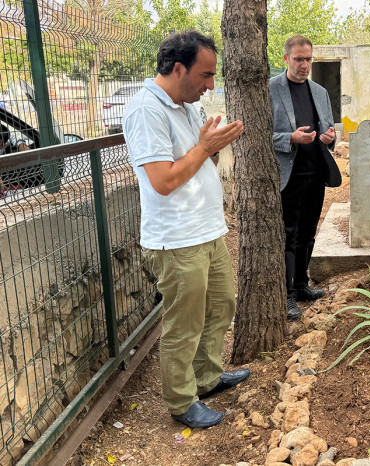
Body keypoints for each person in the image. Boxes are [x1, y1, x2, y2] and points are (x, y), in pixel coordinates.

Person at [123, 30, 250, 428]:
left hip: (208, 231)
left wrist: (208, 149)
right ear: (179, 68)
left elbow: (198, 168)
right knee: (185, 324)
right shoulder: (147, 110)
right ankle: (181, 402)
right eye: (206, 74)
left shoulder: (185, 106)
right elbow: (162, 181)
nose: (211, 85)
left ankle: (207, 379)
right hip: (177, 241)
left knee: (220, 306)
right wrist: (204, 148)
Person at [270, 35, 341, 320]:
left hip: (316, 173)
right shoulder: (271, 89)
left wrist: (330, 137)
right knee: (288, 235)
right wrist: (290, 137)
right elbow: (261, 133)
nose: (304, 65)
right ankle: (286, 295)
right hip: (289, 176)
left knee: (308, 233)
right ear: (286, 59)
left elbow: (330, 130)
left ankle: (301, 284)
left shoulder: (320, 92)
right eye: (299, 59)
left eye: (308, 59)